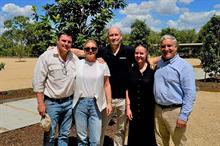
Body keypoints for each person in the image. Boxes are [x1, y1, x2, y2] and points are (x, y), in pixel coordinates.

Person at [32, 31, 78, 146]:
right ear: (57, 41)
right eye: (63, 41)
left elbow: (87, 59)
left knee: (64, 135)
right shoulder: (46, 57)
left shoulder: (74, 58)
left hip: (69, 103)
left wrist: (98, 59)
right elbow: (38, 82)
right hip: (52, 103)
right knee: (50, 136)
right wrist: (40, 103)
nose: (66, 44)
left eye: (69, 42)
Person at [153, 34, 196, 146]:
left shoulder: (184, 66)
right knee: (160, 142)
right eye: (163, 46)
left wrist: (184, 116)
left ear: (176, 47)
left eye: (169, 46)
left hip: (174, 111)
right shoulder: (159, 64)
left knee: (179, 143)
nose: (166, 49)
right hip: (158, 110)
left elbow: (190, 93)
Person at [98, 27, 135, 146]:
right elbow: (85, 52)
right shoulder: (102, 51)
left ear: (121, 36)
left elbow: (143, 59)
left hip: (123, 99)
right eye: (111, 35)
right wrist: (55, 49)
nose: (114, 37)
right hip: (106, 99)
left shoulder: (129, 51)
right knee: (101, 126)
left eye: (116, 35)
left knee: (121, 128)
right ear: (107, 37)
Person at [72, 39, 112, 146]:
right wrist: (55, 48)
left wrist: (109, 103)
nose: (90, 50)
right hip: (80, 104)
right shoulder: (77, 63)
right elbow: (68, 51)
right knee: (82, 138)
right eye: (87, 48)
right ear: (84, 50)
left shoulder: (102, 65)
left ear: (97, 50)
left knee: (95, 140)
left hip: (96, 104)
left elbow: (107, 85)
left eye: (93, 48)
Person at [126, 44, 157, 146]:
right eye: (136, 53)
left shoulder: (153, 71)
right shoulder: (131, 70)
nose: (138, 55)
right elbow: (127, 89)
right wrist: (128, 107)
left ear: (146, 54)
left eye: (141, 53)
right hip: (134, 110)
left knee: (148, 137)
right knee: (134, 137)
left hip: (148, 110)